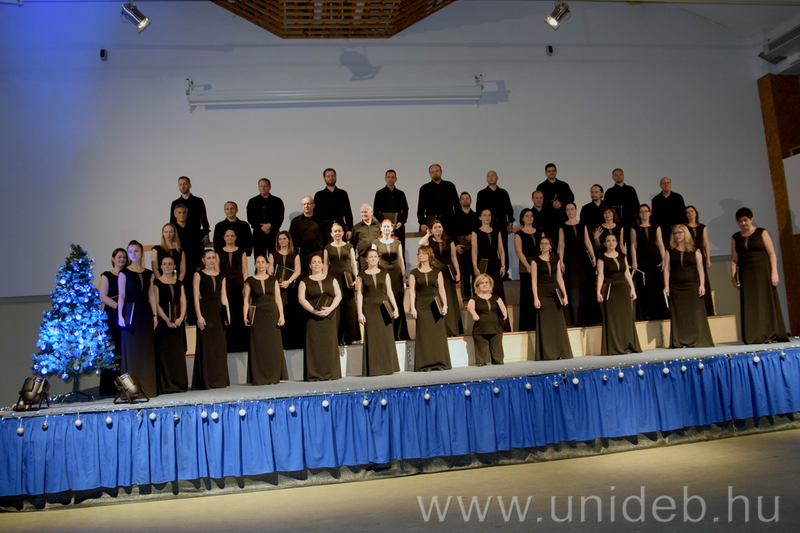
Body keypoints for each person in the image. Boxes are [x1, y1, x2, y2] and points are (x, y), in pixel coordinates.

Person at [730, 207, 788, 344]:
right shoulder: (736, 237)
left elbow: (771, 253)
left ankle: (770, 333)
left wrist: (774, 271)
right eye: (740, 221)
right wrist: (733, 276)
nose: (743, 223)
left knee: (765, 301)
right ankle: (754, 335)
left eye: (745, 220)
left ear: (751, 219)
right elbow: (734, 259)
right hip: (746, 274)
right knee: (751, 304)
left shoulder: (762, 232)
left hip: (763, 272)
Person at [117, 240, 159, 397]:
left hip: (145, 313)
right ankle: (132, 390)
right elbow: (121, 295)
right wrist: (120, 315)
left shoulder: (148, 273)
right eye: (130, 251)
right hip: (131, 315)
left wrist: (155, 315)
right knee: (133, 352)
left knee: (146, 352)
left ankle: (148, 388)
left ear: (141, 253)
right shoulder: (124, 273)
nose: (133, 254)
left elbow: (151, 294)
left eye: (136, 251)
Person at [663, 225, 714, 348]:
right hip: (676, 286)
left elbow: (700, 268)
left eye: (680, 232)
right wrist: (666, 286)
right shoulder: (670, 251)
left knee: (695, 313)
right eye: (675, 233)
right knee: (680, 315)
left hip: (692, 285)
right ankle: (680, 340)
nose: (677, 235)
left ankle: (698, 339)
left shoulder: (695, 249)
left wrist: (702, 285)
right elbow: (667, 269)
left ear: (685, 233)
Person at [243, 255, 288, 385]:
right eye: (258, 262)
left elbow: (278, 298)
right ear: (255, 265)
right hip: (257, 315)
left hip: (271, 314)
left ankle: (274, 376)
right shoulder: (249, 280)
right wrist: (245, 316)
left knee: (272, 344)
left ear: (267, 264)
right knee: (258, 345)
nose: (261, 264)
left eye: (263, 262)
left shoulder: (273, 279)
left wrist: (281, 315)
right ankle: (259, 377)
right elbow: (246, 300)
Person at [298, 254, 343, 381]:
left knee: (329, 344)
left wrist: (330, 309)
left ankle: (331, 373)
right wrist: (314, 311)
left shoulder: (332, 279)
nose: (317, 264)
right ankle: (314, 374)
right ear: (310, 265)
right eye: (314, 262)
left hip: (329, 317)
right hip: (312, 318)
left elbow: (338, 295)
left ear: (323, 264)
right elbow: (301, 299)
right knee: (314, 345)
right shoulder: (304, 281)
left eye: (319, 262)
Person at [357, 248, 401, 376]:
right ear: (366, 259)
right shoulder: (361, 276)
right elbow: (359, 295)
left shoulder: (385, 274)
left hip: (384, 309)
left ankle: (387, 367)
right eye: (370, 257)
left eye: (375, 257)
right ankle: (374, 368)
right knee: (373, 338)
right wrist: (360, 312)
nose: (373, 259)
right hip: (369, 309)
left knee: (386, 337)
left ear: (378, 259)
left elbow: (389, 292)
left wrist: (395, 307)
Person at [596, 233, 641, 355]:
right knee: (613, 319)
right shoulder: (602, 258)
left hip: (623, 289)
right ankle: (615, 347)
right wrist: (598, 291)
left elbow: (627, 273)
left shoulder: (622, 256)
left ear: (616, 242)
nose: (611, 243)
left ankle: (628, 344)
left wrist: (632, 289)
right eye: (608, 241)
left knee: (626, 317)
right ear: (604, 244)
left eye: (613, 240)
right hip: (611, 291)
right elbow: (601, 276)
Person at [409, 246, 451, 371]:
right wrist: (412, 308)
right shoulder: (414, 273)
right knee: (424, 335)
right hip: (421, 306)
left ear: (429, 255)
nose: (421, 255)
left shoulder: (437, 272)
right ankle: (425, 364)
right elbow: (412, 292)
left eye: (423, 253)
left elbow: (441, 290)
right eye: (419, 253)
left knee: (437, 334)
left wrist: (445, 305)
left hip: (435, 305)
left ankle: (440, 362)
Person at [192, 249, 230, 390]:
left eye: (213, 258)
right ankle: (206, 380)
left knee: (219, 347)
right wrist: (199, 315)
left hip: (218, 313)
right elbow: (196, 296)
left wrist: (227, 315)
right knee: (206, 346)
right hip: (206, 312)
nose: (211, 260)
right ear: (203, 260)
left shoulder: (221, 276)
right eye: (208, 258)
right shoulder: (198, 275)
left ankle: (219, 379)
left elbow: (224, 297)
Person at [419, 220, 463, 336]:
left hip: (448, 273)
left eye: (439, 227)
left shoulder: (449, 241)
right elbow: (420, 243)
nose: (438, 229)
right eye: (435, 227)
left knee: (450, 299)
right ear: (432, 230)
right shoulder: (429, 242)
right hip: (435, 273)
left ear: (443, 228)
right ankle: (440, 328)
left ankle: (452, 329)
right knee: (438, 297)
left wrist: (458, 273)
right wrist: (428, 234)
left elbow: (454, 258)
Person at [532, 236, 573, 360]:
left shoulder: (556, 259)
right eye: (542, 243)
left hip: (555, 293)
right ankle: (548, 353)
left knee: (558, 323)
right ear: (539, 246)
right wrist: (536, 298)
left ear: (551, 246)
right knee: (546, 324)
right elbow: (534, 281)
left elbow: (559, 278)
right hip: (542, 292)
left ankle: (561, 351)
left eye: (546, 243)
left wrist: (565, 295)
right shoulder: (535, 261)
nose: (544, 245)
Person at [558, 202, 598, 327]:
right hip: (570, 260)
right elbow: (561, 245)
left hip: (583, 260)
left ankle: (589, 318)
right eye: (567, 209)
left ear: (576, 210)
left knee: (586, 287)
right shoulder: (562, 226)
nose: (570, 211)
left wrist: (593, 256)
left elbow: (587, 241)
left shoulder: (582, 224)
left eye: (572, 209)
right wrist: (561, 261)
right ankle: (574, 319)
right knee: (572, 287)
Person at [153, 255, 188, 393]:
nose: (167, 266)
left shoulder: (179, 283)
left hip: (178, 324)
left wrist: (180, 318)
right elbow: (156, 304)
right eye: (165, 264)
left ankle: (179, 383)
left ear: (174, 266)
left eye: (170, 264)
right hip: (164, 325)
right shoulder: (156, 283)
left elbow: (183, 302)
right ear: (161, 267)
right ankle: (166, 385)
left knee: (177, 355)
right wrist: (166, 320)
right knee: (165, 355)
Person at [324, 222, 361, 345]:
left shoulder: (349, 247)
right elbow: (325, 266)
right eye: (335, 231)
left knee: (348, 307)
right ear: (331, 234)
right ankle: (336, 338)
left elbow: (353, 265)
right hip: (333, 279)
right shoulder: (327, 248)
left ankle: (350, 337)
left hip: (347, 280)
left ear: (343, 233)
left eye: (339, 231)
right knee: (336, 307)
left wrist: (356, 279)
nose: (337, 233)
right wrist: (324, 282)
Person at [630, 204, 669, 321]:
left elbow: (661, 244)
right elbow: (633, 246)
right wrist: (634, 262)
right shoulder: (634, 228)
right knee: (645, 287)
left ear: (650, 213)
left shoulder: (656, 227)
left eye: (646, 211)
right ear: (639, 214)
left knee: (657, 285)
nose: (644, 214)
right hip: (642, 260)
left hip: (655, 259)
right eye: (641, 212)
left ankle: (660, 311)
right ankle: (646, 312)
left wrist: (664, 260)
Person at [372, 219, 410, 341]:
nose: (386, 228)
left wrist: (403, 275)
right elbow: (373, 260)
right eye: (384, 226)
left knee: (397, 302)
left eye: (388, 226)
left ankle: (399, 333)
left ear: (392, 228)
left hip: (396, 275)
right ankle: (385, 332)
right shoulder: (375, 243)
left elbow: (401, 260)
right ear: (381, 228)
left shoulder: (397, 243)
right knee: (385, 300)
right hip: (382, 275)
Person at [98, 248, 128, 396]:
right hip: (111, 315)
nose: (121, 259)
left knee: (124, 349)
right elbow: (103, 296)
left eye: (124, 257)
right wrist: (118, 306)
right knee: (112, 348)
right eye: (119, 257)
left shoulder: (128, 275)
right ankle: (109, 387)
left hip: (125, 316)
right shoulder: (107, 275)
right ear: (113, 259)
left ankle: (125, 385)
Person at [476, 170, 515, 278]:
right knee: (488, 249)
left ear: (497, 178)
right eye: (489, 176)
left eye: (493, 176)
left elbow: (509, 209)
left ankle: (504, 272)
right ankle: (487, 272)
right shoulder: (482, 194)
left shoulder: (503, 193)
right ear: (486, 179)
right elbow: (479, 211)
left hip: (502, 225)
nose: (491, 178)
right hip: (487, 226)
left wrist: (510, 223)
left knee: (503, 248)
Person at [217, 229, 248, 353]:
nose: (230, 238)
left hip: (238, 286)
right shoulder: (218, 252)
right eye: (227, 236)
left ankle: (240, 344)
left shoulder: (242, 252)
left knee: (238, 313)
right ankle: (228, 344)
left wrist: (246, 286)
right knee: (226, 313)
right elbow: (217, 271)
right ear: (224, 238)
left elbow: (245, 270)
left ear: (235, 237)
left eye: (232, 236)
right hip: (225, 287)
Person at [271, 231, 303, 350]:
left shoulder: (295, 255)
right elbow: (270, 271)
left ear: (289, 240)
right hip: (277, 288)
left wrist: (288, 282)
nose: (282, 241)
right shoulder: (273, 255)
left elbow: (298, 271)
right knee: (279, 312)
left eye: (284, 239)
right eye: (280, 239)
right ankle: (280, 343)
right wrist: (277, 283)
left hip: (291, 288)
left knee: (291, 313)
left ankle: (292, 343)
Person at [468, 274, 508, 366]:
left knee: (498, 356)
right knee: (481, 356)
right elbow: (470, 308)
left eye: (487, 282)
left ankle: (497, 360)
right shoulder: (474, 299)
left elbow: (502, 307)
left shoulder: (496, 298)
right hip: (480, 329)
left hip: (496, 328)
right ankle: (481, 362)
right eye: (482, 283)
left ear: (490, 284)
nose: (485, 284)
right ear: (477, 285)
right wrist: (474, 314)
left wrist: (504, 313)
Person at [472, 208, 507, 308]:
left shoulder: (496, 232)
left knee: (497, 289)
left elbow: (501, 250)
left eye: (489, 215)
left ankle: (500, 313)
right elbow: (474, 251)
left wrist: (503, 265)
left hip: (495, 264)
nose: (487, 217)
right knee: (483, 288)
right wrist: (475, 266)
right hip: (483, 264)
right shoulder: (476, 232)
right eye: (485, 215)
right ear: (480, 217)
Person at [173, 204, 200, 324]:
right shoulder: (173, 230)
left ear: (187, 214)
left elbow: (199, 247)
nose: (182, 215)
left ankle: (192, 320)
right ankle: (177, 319)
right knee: (177, 293)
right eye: (179, 213)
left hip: (192, 265)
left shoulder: (193, 228)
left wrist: (199, 264)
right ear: (175, 214)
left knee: (191, 292)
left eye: (184, 212)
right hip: (176, 267)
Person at [685, 205, 715, 316]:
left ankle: (707, 309)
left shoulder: (702, 227)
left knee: (703, 280)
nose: (690, 214)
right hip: (689, 255)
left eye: (692, 211)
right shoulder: (684, 227)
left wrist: (708, 258)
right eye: (688, 212)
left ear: (696, 212)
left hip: (701, 255)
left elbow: (706, 243)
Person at [451, 192, 481, 299]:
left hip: (474, 247)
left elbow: (480, 230)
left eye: (467, 198)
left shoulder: (476, 216)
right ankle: (466, 298)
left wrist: (473, 236)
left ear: (471, 201)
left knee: (475, 272)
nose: (465, 200)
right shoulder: (454, 216)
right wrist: (456, 245)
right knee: (464, 273)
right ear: (460, 202)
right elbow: (451, 232)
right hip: (461, 248)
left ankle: (477, 296)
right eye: (463, 198)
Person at [514, 208, 539, 332]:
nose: (529, 217)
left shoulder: (540, 231)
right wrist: (528, 266)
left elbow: (544, 248)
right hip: (526, 267)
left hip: (539, 265)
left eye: (531, 215)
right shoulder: (519, 234)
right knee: (527, 296)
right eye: (527, 215)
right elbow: (519, 252)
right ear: (522, 218)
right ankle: (528, 326)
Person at [247, 178, 285, 259]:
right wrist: (261, 227)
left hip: (273, 233)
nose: (263, 188)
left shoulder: (277, 201)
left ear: (270, 187)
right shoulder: (252, 201)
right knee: (260, 259)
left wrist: (270, 225)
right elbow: (250, 218)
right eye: (261, 186)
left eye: (265, 186)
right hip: (258, 234)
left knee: (275, 258)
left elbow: (280, 217)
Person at [314, 168, 354, 243]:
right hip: (324, 228)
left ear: (336, 177)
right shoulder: (319, 195)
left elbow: (348, 213)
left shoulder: (343, 193)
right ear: (324, 178)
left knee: (341, 248)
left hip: (340, 226)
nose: (331, 178)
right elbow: (316, 214)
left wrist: (349, 229)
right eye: (328, 176)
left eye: (333, 176)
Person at [373, 169, 409, 253]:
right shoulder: (379, 193)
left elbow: (405, 209)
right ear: (385, 179)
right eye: (388, 177)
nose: (390, 179)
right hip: (385, 227)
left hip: (398, 227)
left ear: (396, 179)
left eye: (392, 177)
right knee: (384, 250)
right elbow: (376, 211)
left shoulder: (401, 194)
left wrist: (401, 222)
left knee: (400, 249)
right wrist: (386, 223)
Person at [417, 164, 459, 234]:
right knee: (432, 240)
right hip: (432, 221)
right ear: (430, 174)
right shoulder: (424, 188)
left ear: (441, 172)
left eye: (437, 171)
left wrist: (458, 220)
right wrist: (422, 223)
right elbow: (421, 208)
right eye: (432, 172)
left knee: (450, 240)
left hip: (449, 221)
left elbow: (457, 205)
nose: (435, 173)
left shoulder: (450, 186)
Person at [536, 163, 575, 240]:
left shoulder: (564, 185)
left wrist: (561, 203)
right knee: (550, 243)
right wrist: (551, 205)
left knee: (565, 242)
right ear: (546, 173)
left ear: (556, 172)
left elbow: (571, 198)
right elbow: (538, 202)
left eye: (553, 171)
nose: (551, 173)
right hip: (548, 222)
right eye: (549, 171)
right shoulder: (541, 187)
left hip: (563, 219)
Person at [169, 176, 210, 247]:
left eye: (185, 184)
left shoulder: (198, 201)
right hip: (180, 237)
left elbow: (204, 219)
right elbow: (172, 221)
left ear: (190, 185)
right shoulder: (175, 203)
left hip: (195, 235)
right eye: (180, 184)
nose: (182, 186)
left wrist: (206, 235)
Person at [602, 168, 640, 243]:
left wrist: (639, 219)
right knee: (617, 245)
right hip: (616, 224)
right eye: (616, 175)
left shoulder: (631, 190)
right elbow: (606, 209)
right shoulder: (609, 192)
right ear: (613, 177)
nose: (618, 176)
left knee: (632, 245)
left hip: (631, 223)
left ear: (623, 176)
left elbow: (637, 205)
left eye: (620, 174)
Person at [289, 196, 324, 274]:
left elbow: (326, 238)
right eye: (304, 204)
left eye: (309, 203)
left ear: (314, 205)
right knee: (302, 276)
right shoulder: (296, 221)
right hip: (301, 254)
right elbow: (291, 239)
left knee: (317, 275)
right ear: (302, 206)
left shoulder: (321, 220)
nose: (306, 206)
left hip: (317, 253)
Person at [351, 203, 381, 271]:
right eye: (362, 212)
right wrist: (355, 260)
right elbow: (352, 245)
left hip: (377, 258)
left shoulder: (378, 226)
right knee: (364, 276)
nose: (363, 214)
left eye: (365, 212)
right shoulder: (356, 227)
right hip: (363, 259)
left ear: (371, 212)